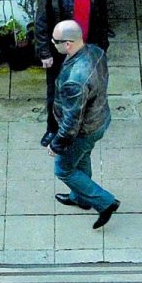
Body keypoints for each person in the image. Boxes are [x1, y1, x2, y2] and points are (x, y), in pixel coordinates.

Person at [43, 20, 119, 228]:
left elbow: (72, 120)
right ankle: (81, 198)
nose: (53, 43)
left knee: (64, 169)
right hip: (100, 119)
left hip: (84, 130)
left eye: (55, 41)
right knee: (82, 158)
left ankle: (105, 202)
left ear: (68, 44)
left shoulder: (75, 79)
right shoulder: (95, 51)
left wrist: (56, 144)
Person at [32, 0, 111, 145]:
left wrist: (101, 48)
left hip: (86, 50)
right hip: (61, 53)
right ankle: (53, 129)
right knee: (55, 91)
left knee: (88, 89)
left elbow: (102, 20)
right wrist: (44, 53)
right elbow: (41, 24)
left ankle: (81, 124)